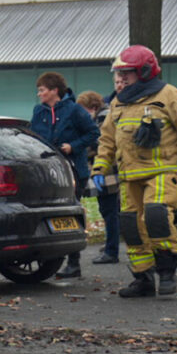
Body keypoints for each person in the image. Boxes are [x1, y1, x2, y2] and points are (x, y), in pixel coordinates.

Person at [91, 45, 177, 298]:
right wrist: (100, 167)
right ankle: (142, 278)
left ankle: (167, 272)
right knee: (131, 226)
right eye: (118, 74)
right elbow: (107, 139)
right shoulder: (118, 103)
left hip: (162, 170)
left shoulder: (168, 95)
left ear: (143, 72)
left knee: (156, 215)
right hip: (129, 175)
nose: (120, 79)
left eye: (127, 73)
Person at [30, 71, 99, 279]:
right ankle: (51, 259)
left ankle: (74, 263)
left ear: (54, 91)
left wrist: (73, 146)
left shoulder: (74, 110)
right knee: (50, 214)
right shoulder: (38, 111)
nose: (39, 94)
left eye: (42, 90)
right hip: (48, 170)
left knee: (70, 213)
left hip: (73, 170)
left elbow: (93, 133)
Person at [77, 88, 120, 264]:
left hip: (107, 172)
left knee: (109, 210)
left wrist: (79, 148)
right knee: (109, 210)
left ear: (92, 107)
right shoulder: (103, 115)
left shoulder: (103, 118)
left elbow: (100, 144)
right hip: (106, 171)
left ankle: (111, 250)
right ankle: (111, 244)